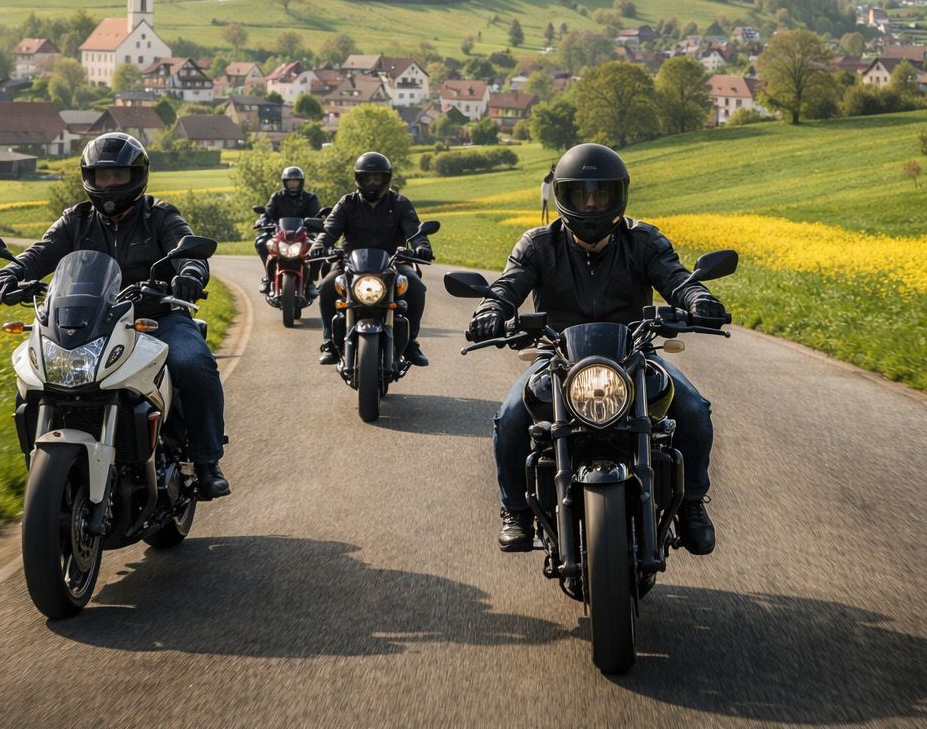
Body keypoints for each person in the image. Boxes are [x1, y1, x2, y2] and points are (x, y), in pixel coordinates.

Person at [467, 142, 727, 555]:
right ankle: (515, 510)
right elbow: (507, 285)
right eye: (579, 194)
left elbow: (676, 277)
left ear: (617, 195)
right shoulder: (537, 244)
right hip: (558, 358)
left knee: (693, 410)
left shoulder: (643, 240)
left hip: (634, 355)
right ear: (562, 198)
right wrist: (491, 309)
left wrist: (697, 299)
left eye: (600, 194)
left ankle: (692, 504)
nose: (590, 205)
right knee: (511, 418)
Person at [0, 132, 231, 500]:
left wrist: (190, 274)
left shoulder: (160, 215)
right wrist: (10, 273)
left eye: (118, 176)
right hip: (87, 324)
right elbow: (41, 252)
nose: (110, 185)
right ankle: (41, 468)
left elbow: (186, 248)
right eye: (101, 176)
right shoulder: (76, 221)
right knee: (32, 379)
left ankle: (207, 462)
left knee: (193, 363)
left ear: (138, 176)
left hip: (153, 317)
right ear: (89, 178)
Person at [309, 151, 433, 368]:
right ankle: (329, 342)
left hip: (393, 263)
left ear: (386, 179)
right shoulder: (347, 203)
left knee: (415, 286)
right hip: (350, 264)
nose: (373, 183)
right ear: (360, 179)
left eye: (378, 178)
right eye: (368, 178)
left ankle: (411, 343)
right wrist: (318, 246)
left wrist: (422, 247)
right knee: (328, 285)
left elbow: (415, 231)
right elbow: (329, 230)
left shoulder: (400, 203)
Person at [253, 165, 322, 291]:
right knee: (261, 242)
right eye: (290, 183)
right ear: (285, 183)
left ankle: (311, 281)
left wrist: (317, 223)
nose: (293, 186)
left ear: (301, 183)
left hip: (304, 235)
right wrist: (263, 220)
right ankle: (269, 278)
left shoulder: (310, 198)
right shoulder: (277, 197)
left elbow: (317, 215)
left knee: (318, 247)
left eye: (296, 182)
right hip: (280, 235)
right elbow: (268, 212)